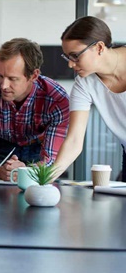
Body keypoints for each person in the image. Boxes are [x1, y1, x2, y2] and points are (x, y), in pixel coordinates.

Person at [0, 38, 70, 181]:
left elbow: (52, 161)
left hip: (38, 151)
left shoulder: (57, 99)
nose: (3, 85)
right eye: (0, 76)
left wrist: (25, 172)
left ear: (34, 75)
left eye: (12, 79)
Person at [52, 16, 126, 179]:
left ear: (99, 47)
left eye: (75, 56)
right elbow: (74, 141)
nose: (71, 64)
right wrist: (46, 178)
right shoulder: (84, 84)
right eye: (67, 57)